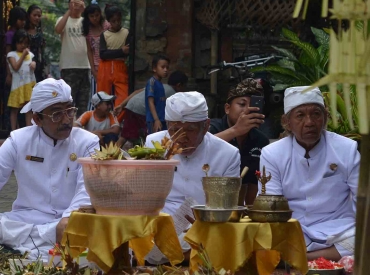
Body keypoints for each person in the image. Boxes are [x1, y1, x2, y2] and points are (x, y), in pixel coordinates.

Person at [0, 79, 99, 260]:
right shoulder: (19, 140)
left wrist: (69, 218)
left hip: (68, 222)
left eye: (70, 111)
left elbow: (86, 189)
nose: (66, 120)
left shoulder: (88, 142)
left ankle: (17, 249)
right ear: (37, 119)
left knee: (95, 227)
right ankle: (37, 247)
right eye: (57, 114)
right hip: (24, 220)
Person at [259, 86, 359, 260]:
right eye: (300, 115)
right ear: (286, 121)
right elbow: (270, 206)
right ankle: (321, 257)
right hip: (293, 229)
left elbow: (363, 199)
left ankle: (301, 258)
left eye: (316, 114)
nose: (310, 122)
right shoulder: (272, 153)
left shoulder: (346, 148)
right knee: (262, 236)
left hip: (340, 230)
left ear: (325, 117)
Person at [145, 92, 240, 263]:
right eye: (174, 130)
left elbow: (227, 208)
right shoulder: (154, 144)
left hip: (205, 232)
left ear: (206, 126)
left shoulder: (227, 154)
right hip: (157, 229)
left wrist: (206, 220)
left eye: (190, 129)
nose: (181, 137)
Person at [209, 78, 269, 205]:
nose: (247, 110)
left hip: (242, 204)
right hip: (209, 198)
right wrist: (236, 130)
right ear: (227, 108)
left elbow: (255, 183)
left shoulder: (261, 140)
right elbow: (202, 146)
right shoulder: (213, 128)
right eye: (242, 104)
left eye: (253, 105)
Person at [115, 70, 188, 148]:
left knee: (125, 135)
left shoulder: (159, 85)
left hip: (131, 105)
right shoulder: (173, 93)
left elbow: (137, 92)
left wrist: (121, 105)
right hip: (143, 110)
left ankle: (112, 154)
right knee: (151, 136)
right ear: (179, 85)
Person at [55, 0, 91, 114]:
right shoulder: (63, 19)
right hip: (68, 67)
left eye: (79, 2)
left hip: (85, 67)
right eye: (73, 2)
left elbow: (97, 28)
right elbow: (58, 29)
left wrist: (85, 10)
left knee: (83, 103)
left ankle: (80, 129)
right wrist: (69, 11)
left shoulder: (86, 21)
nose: (76, 4)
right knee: (68, 102)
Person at [97, 6, 130, 107]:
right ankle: (103, 118)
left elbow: (128, 51)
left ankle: (116, 118)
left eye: (118, 20)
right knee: (102, 96)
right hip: (105, 67)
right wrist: (121, 51)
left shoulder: (126, 32)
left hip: (120, 66)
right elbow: (102, 54)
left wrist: (115, 53)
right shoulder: (105, 35)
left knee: (123, 96)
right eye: (113, 21)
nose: (116, 23)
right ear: (109, 21)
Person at [83, 1, 110, 109]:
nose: (95, 18)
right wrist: (93, 69)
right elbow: (89, 50)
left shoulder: (106, 26)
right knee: (96, 93)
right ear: (88, 17)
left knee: (108, 92)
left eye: (97, 15)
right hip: (96, 65)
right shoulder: (87, 31)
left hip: (108, 64)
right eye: (92, 16)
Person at [7, 30, 36, 130]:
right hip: (17, 86)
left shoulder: (31, 55)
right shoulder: (11, 55)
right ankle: (13, 130)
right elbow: (15, 67)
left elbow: (31, 70)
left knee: (28, 109)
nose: (23, 45)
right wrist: (23, 55)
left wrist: (33, 65)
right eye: (20, 42)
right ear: (15, 43)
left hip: (27, 85)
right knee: (14, 109)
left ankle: (29, 130)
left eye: (25, 43)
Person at [25, 5, 48, 82]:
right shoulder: (23, 32)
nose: (37, 18)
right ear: (29, 16)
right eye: (34, 15)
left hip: (39, 66)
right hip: (26, 64)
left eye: (39, 16)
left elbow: (42, 50)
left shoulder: (39, 32)